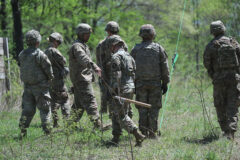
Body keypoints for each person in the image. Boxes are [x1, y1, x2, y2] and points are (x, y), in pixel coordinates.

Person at [130, 24, 170, 139]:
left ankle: (143, 132)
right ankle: (152, 133)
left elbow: (130, 67)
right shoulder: (158, 48)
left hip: (140, 84)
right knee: (154, 108)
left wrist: (132, 83)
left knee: (142, 109)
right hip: (155, 84)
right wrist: (165, 82)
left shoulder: (135, 49)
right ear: (153, 35)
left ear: (141, 35)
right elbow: (164, 67)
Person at [203, 20, 240, 140]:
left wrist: (213, 75)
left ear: (212, 32)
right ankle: (232, 131)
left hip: (219, 79)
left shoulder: (210, 45)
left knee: (220, 104)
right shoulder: (233, 42)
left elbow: (207, 63)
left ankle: (225, 131)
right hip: (233, 78)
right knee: (232, 104)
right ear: (223, 28)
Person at [107, 35, 145, 147]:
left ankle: (137, 134)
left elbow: (116, 74)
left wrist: (114, 89)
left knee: (120, 115)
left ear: (114, 45)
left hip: (121, 88)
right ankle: (116, 138)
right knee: (119, 112)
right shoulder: (129, 57)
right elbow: (134, 74)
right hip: (130, 88)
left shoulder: (116, 57)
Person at [68, 23, 108, 129]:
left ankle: (70, 125)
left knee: (78, 104)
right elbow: (83, 59)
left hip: (81, 79)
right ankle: (98, 125)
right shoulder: (77, 46)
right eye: (86, 34)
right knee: (90, 101)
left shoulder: (82, 45)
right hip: (81, 79)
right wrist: (95, 67)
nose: (88, 36)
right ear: (80, 34)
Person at [19, 30, 54, 137]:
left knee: (28, 109)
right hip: (41, 87)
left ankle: (22, 130)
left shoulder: (22, 54)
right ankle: (47, 132)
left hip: (27, 86)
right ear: (38, 42)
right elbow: (48, 69)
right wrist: (50, 78)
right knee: (45, 109)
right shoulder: (40, 54)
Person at [96, 21, 129, 116]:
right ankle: (115, 114)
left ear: (107, 31)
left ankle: (104, 113)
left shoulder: (101, 44)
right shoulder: (122, 43)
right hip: (119, 73)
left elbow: (99, 60)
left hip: (105, 72)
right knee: (117, 94)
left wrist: (102, 74)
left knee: (105, 94)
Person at [45, 32, 70, 128]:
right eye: (58, 42)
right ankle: (67, 122)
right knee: (65, 99)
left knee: (54, 100)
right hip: (58, 79)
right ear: (56, 41)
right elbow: (63, 61)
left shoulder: (45, 51)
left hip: (50, 80)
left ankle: (55, 122)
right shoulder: (54, 51)